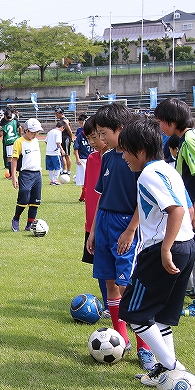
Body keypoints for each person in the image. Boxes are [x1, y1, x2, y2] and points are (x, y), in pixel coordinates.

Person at [116, 117, 195, 386]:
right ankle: (165, 371)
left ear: (140, 151)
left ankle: (174, 369)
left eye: (126, 150)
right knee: (161, 316)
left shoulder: (149, 175)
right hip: (186, 246)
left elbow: (176, 209)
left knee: (134, 311)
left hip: (166, 248)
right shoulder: (167, 168)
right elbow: (184, 206)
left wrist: (164, 248)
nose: (123, 155)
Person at [87, 104, 156, 371]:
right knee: (110, 284)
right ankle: (121, 338)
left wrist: (131, 229)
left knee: (128, 286)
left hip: (126, 224)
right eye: (99, 134)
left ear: (121, 129)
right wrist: (93, 231)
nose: (101, 139)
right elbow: (102, 198)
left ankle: (145, 347)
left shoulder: (136, 159)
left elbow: (144, 198)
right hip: (104, 223)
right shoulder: (107, 158)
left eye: (105, 133)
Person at [155, 98, 195, 317]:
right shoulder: (188, 138)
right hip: (191, 205)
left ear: (173, 121)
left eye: (162, 121)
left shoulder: (190, 139)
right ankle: (191, 290)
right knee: (188, 248)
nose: (160, 126)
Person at [80, 116, 109, 312]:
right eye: (89, 138)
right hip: (92, 223)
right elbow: (91, 189)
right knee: (99, 267)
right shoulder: (92, 158)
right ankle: (108, 305)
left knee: (115, 268)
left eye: (95, 137)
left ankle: (119, 306)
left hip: (109, 221)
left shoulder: (118, 158)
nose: (92, 142)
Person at [10, 119, 43, 232]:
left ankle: (30, 224)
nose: (35, 134)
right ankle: (16, 218)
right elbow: (14, 160)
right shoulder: (19, 142)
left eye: (37, 132)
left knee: (35, 201)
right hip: (25, 174)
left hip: (37, 174)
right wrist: (14, 176)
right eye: (33, 132)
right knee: (24, 198)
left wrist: (40, 172)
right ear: (26, 130)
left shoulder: (36, 141)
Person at [73, 114, 92, 192]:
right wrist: (78, 159)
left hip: (91, 159)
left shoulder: (94, 135)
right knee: (84, 179)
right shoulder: (80, 135)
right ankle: (84, 194)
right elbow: (76, 148)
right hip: (83, 159)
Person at [0, 108, 20, 175]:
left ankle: (11, 174)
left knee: (9, 158)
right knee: (17, 156)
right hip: (16, 140)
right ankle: (17, 169)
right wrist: (19, 136)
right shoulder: (15, 121)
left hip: (8, 141)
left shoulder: (6, 124)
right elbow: (20, 128)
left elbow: (2, 133)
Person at [44, 120, 65, 185]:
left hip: (48, 152)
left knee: (50, 168)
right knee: (58, 167)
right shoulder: (58, 132)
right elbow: (58, 142)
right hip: (55, 153)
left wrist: (50, 146)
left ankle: (52, 180)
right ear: (62, 127)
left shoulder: (50, 132)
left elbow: (46, 141)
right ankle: (55, 180)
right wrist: (62, 150)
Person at [54, 107, 74, 176]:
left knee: (66, 155)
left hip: (66, 138)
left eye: (57, 113)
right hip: (61, 138)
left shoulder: (65, 120)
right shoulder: (60, 120)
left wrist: (71, 138)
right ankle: (64, 169)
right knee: (62, 155)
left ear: (60, 113)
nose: (56, 115)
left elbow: (69, 130)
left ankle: (68, 170)